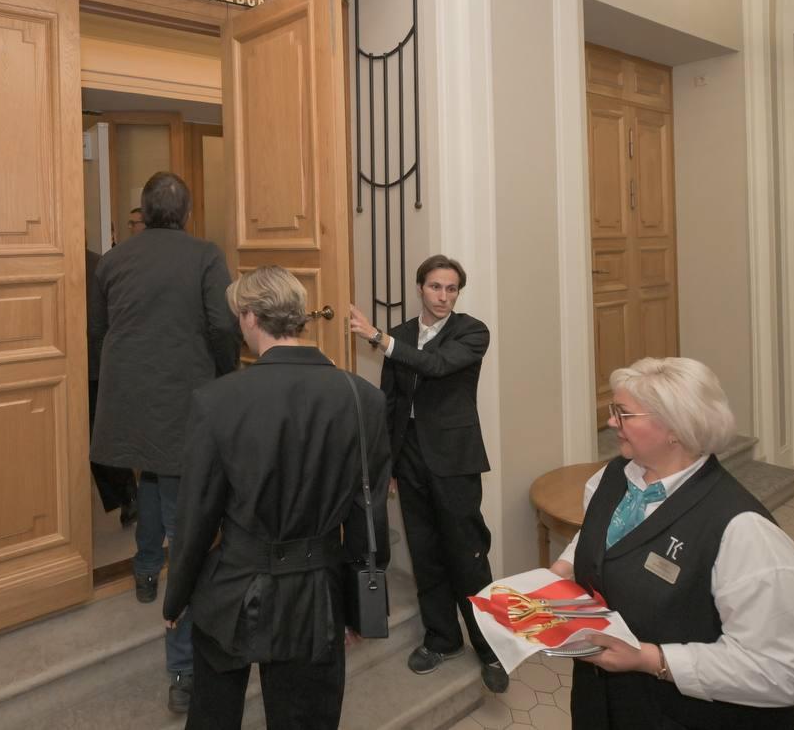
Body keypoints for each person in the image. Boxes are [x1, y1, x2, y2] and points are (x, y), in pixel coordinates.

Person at [164, 266, 392, 730]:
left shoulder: (217, 400)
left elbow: (196, 514)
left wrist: (178, 597)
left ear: (250, 317)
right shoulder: (363, 397)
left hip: (233, 586)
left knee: (212, 716)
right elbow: (368, 512)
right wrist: (355, 605)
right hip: (317, 593)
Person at [550, 357, 794, 729]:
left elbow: (790, 672)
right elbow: (597, 531)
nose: (612, 422)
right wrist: (563, 569)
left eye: (623, 413)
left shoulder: (744, 531)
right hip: (599, 705)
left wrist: (652, 660)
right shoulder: (611, 477)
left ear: (674, 428)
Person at [89, 171, 240, 713]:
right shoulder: (204, 255)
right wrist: (224, 374)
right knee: (188, 527)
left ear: (144, 211)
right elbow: (223, 326)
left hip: (130, 397)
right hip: (182, 397)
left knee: (150, 476)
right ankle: (182, 669)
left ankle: (145, 569)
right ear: (187, 213)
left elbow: (97, 330)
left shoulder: (112, 261)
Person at [349, 254, 510, 694]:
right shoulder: (402, 334)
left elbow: (435, 366)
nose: (443, 296)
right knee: (425, 551)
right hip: (410, 456)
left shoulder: (472, 332)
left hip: (455, 459)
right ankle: (442, 638)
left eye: (451, 289)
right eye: (436, 287)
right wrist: (388, 464)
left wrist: (377, 337)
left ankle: (491, 648)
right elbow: (390, 401)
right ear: (420, 287)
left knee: (467, 553)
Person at [85, 248, 136, 526]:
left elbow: (103, 323)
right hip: (85, 365)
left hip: (94, 366)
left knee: (100, 437)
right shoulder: (99, 263)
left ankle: (128, 496)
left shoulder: (99, 264)